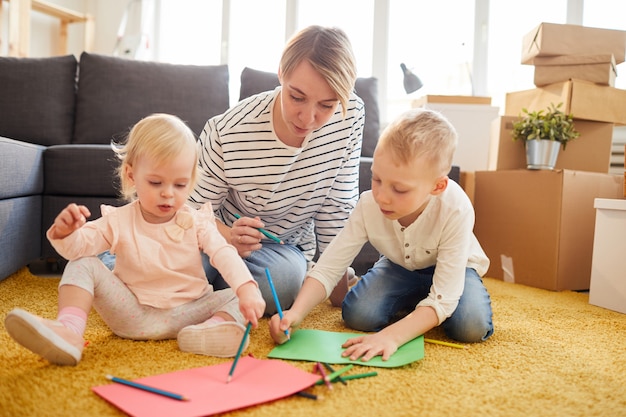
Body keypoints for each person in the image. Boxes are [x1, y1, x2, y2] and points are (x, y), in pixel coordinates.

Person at [4, 113, 266, 366]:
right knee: (82, 263)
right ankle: (69, 332)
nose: (168, 194)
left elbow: (223, 252)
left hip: (191, 315)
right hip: (133, 315)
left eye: (180, 185)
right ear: (131, 176)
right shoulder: (117, 220)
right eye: (155, 182)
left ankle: (209, 331)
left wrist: (247, 290)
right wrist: (66, 233)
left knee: (240, 293)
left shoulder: (197, 221)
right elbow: (78, 249)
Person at [269, 108, 494, 361]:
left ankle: (420, 309)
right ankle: (417, 306)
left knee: (469, 326)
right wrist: (294, 314)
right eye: (376, 179)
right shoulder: (368, 205)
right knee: (359, 315)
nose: (382, 197)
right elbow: (328, 268)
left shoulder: (456, 207)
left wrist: (393, 336)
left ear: (437, 186)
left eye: (399, 189)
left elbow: (445, 299)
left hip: (457, 269)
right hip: (399, 266)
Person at [188, 25, 365, 315]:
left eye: (326, 105)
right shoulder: (228, 131)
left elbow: (338, 205)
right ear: (281, 72)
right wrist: (227, 237)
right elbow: (190, 213)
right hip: (214, 239)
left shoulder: (350, 115)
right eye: (297, 97)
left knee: (284, 283)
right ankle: (220, 294)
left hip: (280, 252)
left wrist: (336, 280)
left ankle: (204, 296)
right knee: (180, 261)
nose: (308, 118)